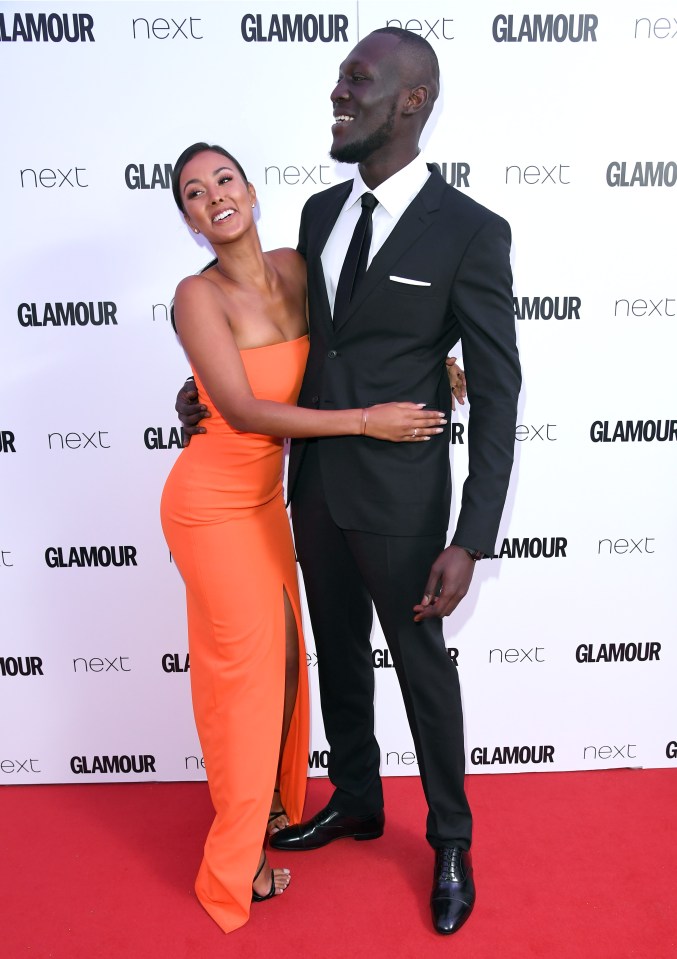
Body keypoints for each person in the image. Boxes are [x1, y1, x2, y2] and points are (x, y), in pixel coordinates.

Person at [178, 26, 521, 936]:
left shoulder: (473, 233)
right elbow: (302, 344)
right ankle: (358, 798)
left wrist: (471, 535)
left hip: (406, 503)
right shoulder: (319, 219)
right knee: (337, 657)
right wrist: (207, 385)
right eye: (338, 80)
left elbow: (496, 390)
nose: (338, 94)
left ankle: (450, 836)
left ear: (410, 102)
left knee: (420, 669)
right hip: (314, 493)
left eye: (356, 82)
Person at [160, 141, 449, 935]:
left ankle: (264, 816)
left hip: (267, 502)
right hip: (211, 502)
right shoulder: (196, 294)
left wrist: (433, 375)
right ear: (187, 218)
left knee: (281, 667)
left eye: (223, 178)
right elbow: (246, 410)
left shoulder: (296, 265)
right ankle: (236, 863)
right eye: (193, 193)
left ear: (249, 189)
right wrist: (367, 421)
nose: (213, 196)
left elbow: (360, 340)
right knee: (245, 683)